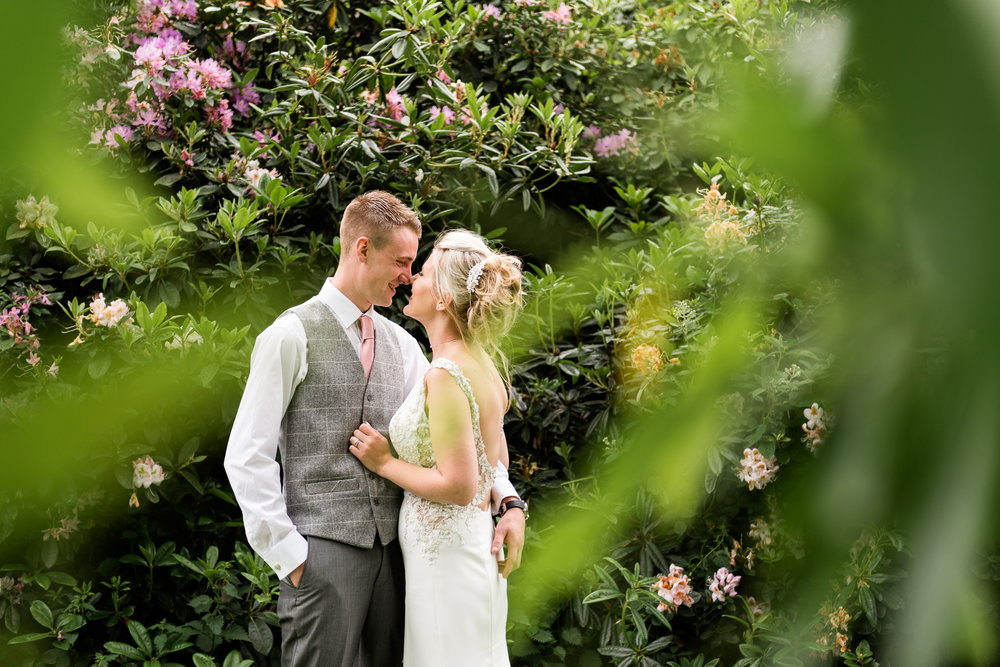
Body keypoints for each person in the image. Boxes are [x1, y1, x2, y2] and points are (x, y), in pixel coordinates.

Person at [224, 192, 526, 667]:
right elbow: (246, 456)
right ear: (362, 249)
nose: (409, 276)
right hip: (322, 556)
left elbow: (462, 436)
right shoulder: (289, 335)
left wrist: (509, 501)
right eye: (403, 261)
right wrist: (292, 558)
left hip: (403, 561)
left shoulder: (406, 346)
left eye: (415, 266)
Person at [348, 229, 525, 666]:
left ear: (444, 298)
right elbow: (495, 459)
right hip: (457, 550)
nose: (411, 279)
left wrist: (385, 461)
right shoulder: (479, 364)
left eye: (423, 273)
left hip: (447, 559)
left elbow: (461, 484)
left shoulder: (446, 374)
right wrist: (513, 503)